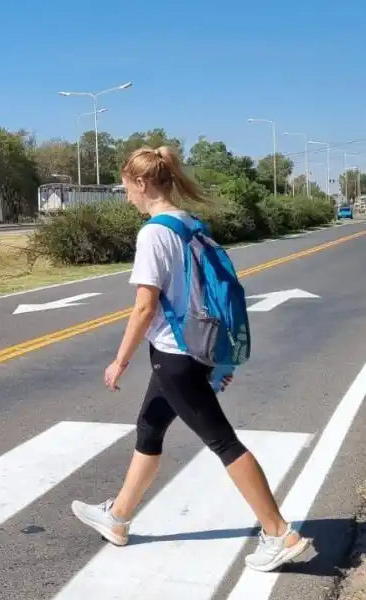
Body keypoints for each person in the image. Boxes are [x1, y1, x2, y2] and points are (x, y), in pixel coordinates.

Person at [70, 145, 311, 572]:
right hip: (191, 351)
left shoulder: (153, 233)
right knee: (149, 426)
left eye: (125, 186)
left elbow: (145, 307)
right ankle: (119, 517)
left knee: (223, 442)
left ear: (142, 183)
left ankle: (279, 532)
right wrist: (217, 358)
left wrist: (119, 361)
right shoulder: (190, 224)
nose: (124, 195)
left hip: (175, 355)